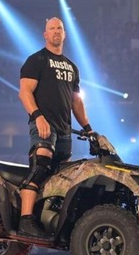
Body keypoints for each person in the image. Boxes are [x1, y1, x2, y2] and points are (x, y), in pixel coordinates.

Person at [16, 17, 92, 242]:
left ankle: (53, 221)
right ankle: (25, 220)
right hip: (43, 125)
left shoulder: (71, 67)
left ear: (65, 34)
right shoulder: (36, 60)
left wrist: (88, 128)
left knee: (61, 178)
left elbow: (76, 102)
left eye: (60, 28)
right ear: (45, 34)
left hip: (65, 131)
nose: (56, 31)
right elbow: (25, 92)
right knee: (40, 168)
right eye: (52, 28)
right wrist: (37, 116)